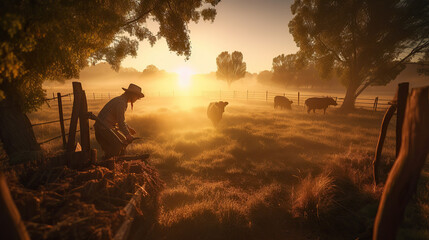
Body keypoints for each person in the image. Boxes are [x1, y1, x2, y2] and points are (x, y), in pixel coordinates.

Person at [94, 83, 144, 158]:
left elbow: (120, 119)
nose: (136, 99)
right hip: (103, 129)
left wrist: (129, 128)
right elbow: (120, 122)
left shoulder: (120, 100)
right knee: (118, 145)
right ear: (132, 95)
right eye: (137, 97)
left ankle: (116, 161)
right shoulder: (121, 103)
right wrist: (127, 134)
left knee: (122, 141)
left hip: (105, 128)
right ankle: (109, 163)